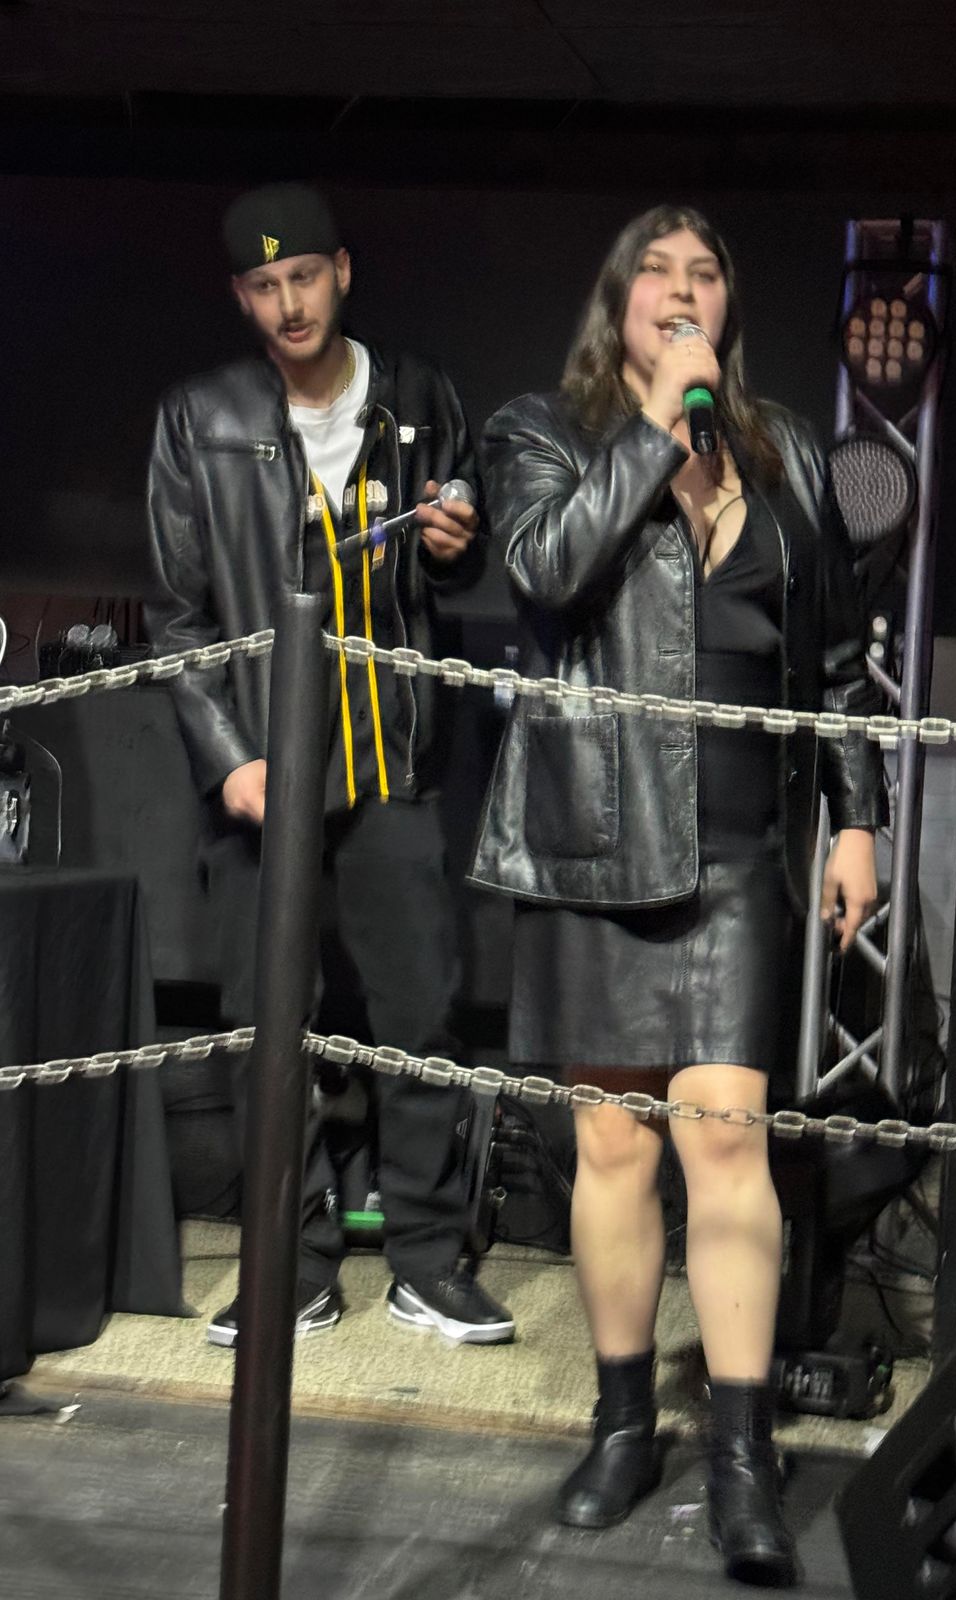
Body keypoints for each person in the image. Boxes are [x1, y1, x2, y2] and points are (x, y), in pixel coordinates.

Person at [469, 205, 886, 1586]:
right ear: (619, 304)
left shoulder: (789, 453)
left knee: (727, 1138)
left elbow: (836, 657)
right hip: (597, 835)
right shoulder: (544, 432)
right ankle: (622, 1423)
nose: (685, 290)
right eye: (658, 273)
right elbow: (546, 568)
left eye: (707, 272)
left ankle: (744, 1455)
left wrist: (859, 818)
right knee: (612, 1146)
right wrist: (654, 427)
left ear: (731, 305)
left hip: (740, 846)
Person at [145, 182, 514, 1351]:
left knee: (420, 1013)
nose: (289, 302)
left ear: (341, 272)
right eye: (264, 285)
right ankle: (290, 1264)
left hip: (390, 752)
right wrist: (228, 759)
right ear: (240, 296)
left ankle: (426, 1260)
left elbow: (460, 564)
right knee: (268, 1022)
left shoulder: (419, 395)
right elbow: (177, 619)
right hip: (264, 763)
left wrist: (456, 543)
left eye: (304, 275)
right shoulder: (198, 416)